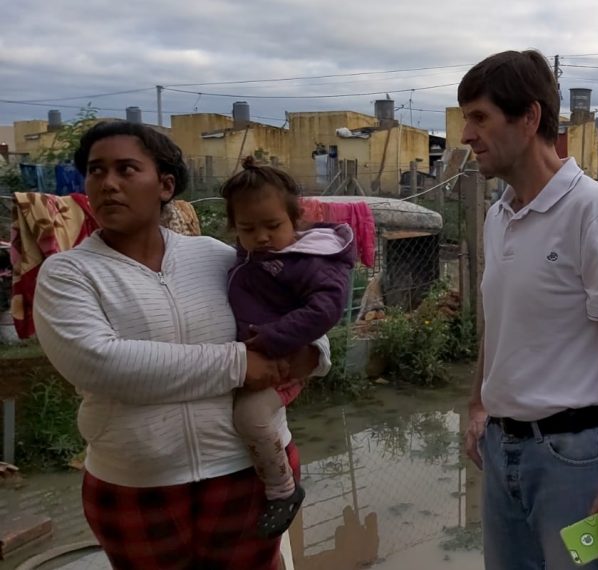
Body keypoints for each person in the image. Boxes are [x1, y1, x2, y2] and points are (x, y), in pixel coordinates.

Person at [32, 121, 331, 569]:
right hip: (136, 484)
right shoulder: (69, 273)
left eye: (127, 169)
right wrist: (238, 365)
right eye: (96, 171)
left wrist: (313, 353)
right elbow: (100, 363)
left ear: (165, 185)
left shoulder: (218, 256)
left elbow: (299, 315)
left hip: (246, 473)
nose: (108, 183)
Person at [459, 50, 598, 570]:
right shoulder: (498, 215)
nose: (465, 135)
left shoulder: (594, 211)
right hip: (502, 455)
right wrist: (479, 403)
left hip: (575, 465)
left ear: (529, 118)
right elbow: (498, 322)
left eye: (479, 117)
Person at [222, 156, 356, 537]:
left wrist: (272, 338)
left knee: (249, 417)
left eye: (273, 226)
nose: (262, 236)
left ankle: (282, 490)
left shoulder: (306, 261)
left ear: (296, 220)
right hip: (255, 357)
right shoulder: (251, 257)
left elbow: (327, 308)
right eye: (248, 228)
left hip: (281, 358)